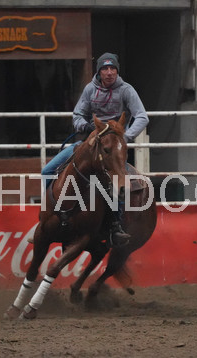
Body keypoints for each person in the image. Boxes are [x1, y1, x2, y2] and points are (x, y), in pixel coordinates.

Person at [41, 52, 149, 246]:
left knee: (118, 184)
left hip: (112, 150)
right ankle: (49, 217)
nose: (109, 72)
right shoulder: (90, 89)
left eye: (113, 68)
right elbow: (77, 115)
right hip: (89, 143)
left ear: (117, 71)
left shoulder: (126, 90)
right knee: (47, 171)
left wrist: (124, 137)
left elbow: (142, 116)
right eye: (105, 69)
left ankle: (115, 225)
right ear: (99, 72)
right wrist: (85, 126)